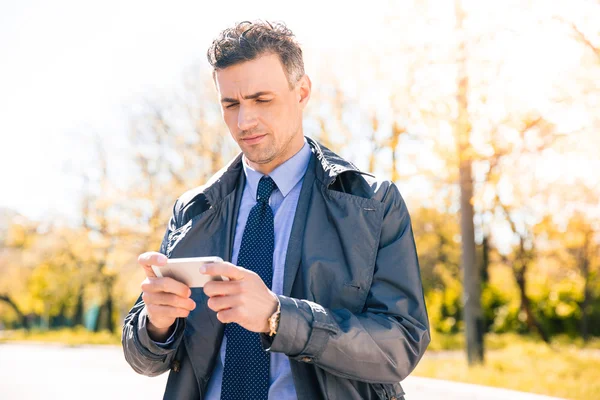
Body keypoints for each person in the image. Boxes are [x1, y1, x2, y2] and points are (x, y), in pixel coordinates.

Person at [122, 20, 430, 400]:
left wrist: (279, 317)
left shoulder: (373, 203)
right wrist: (157, 324)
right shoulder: (194, 209)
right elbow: (143, 359)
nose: (244, 121)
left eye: (261, 100)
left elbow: (401, 344)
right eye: (230, 104)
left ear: (301, 92)